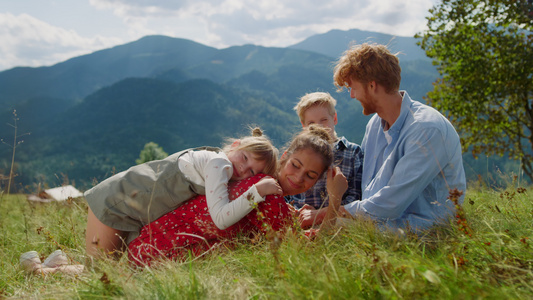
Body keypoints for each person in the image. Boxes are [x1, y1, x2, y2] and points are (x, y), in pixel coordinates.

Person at [301, 42, 467, 233]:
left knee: (328, 231)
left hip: (425, 228)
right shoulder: (375, 126)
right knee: (317, 229)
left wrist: (325, 214)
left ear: (372, 86)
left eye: (353, 88)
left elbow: (390, 203)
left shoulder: (426, 129)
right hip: (381, 222)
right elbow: (370, 193)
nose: (352, 95)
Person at [128, 125, 348, 266]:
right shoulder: (269, 196)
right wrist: (335, 198)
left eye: (310, 175)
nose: (299, 177)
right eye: (295, 165)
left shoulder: (255, 178)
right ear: (284, 157)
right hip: (159, 259)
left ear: (318, 179)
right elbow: (308, 251)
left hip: (147, 247)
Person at [85, 127, 282, 259]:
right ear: (234, 145)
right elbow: (221, 218)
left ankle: (56, 264)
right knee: (98, 275)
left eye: (252, 172)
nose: (243, 167)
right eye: (245, 157)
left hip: (128, 211)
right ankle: (53, 270)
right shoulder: (219, 164)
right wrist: (257, 191)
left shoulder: (215, 160)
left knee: (105, 272)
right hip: (114, 204)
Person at [285, 92, 363, 229]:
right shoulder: (295, 152)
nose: (319, 126)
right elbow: (287, 191)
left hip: (336, 221)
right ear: (303, 125)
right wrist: (294, 212)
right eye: (311, 123)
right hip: (299, 222)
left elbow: (356, 197)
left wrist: (321, 214)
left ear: (335, 118)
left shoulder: (353, 152)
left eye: (324, 120)